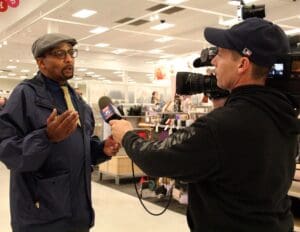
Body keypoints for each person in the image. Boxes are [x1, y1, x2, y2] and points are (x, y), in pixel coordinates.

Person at [110, 17, 300, 232]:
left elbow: (156, 158)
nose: (214, 62)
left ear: (242, 64)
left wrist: (127, 135)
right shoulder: (282, 114)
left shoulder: (221, 126)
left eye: (220, 53)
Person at [0, 33, 120, 232]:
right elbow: (7, 150)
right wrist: (46, 137)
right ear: (41, 63)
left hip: (78, 213)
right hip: (40, 216)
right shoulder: (25, 95)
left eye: (71, 52)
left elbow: (79, 145)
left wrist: (101, 150)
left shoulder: (78, 102)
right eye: (59, 53)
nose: (69, 58)